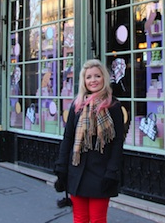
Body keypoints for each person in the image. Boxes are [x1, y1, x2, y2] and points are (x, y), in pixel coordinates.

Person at [54, 59, 125, 223]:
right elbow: (68, 138)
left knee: (97, 219)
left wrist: (112, 171)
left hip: (101, 172)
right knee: (79, 218)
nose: (93, 80)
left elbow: (117, 142)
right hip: (76, 172)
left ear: (104, 78)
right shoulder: (77, 105)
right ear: (84, 81)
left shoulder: (113, 106)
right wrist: (62, 168)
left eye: (97, 76)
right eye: (89, 77)